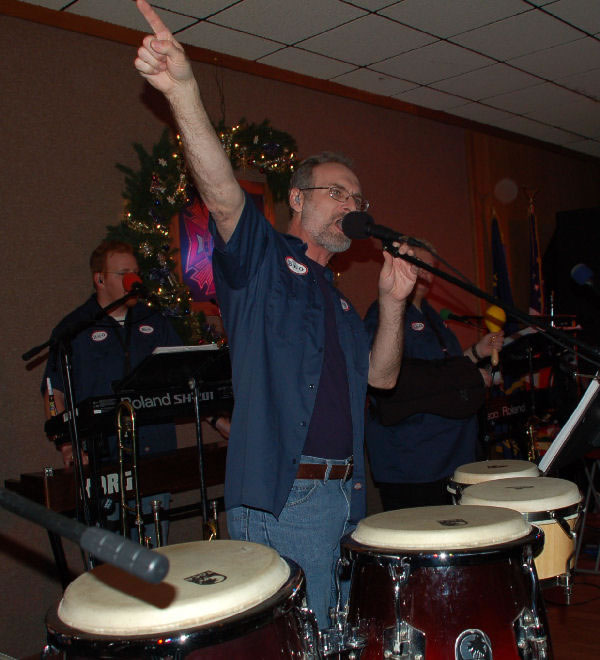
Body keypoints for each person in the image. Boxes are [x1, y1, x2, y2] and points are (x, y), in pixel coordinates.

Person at [134, 0, 417, 628]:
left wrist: (393, 304)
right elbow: (222, 194)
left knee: (336, 635)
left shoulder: (337, 298)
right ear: (296, 199)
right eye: (336, 192)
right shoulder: (264, 264)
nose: (351, 204)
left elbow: (382, 377)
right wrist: (183, 93)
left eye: (357, 197)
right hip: (287, 497)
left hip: (344, 492)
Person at [42, 239, 181, 541]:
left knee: (155, 549)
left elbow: (183, 376)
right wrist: (68, 445)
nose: (132, 280)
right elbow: (54, 393)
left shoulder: (154, 322)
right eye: (123, 273)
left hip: (155, 456)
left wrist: (216, 419)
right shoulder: (75, 328)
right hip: (103, 462)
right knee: (111, 557)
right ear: (100, 279)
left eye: (135, 272)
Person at [364, 243, 504, 510]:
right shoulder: (386, 314)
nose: (425, 273)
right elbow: (400, 381)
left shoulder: (432, 315)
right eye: (418, 264)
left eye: (431, 268)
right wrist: (470, 376)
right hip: (414, 463)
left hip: (452, 457)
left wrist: (476, 352)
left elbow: (443, 368)